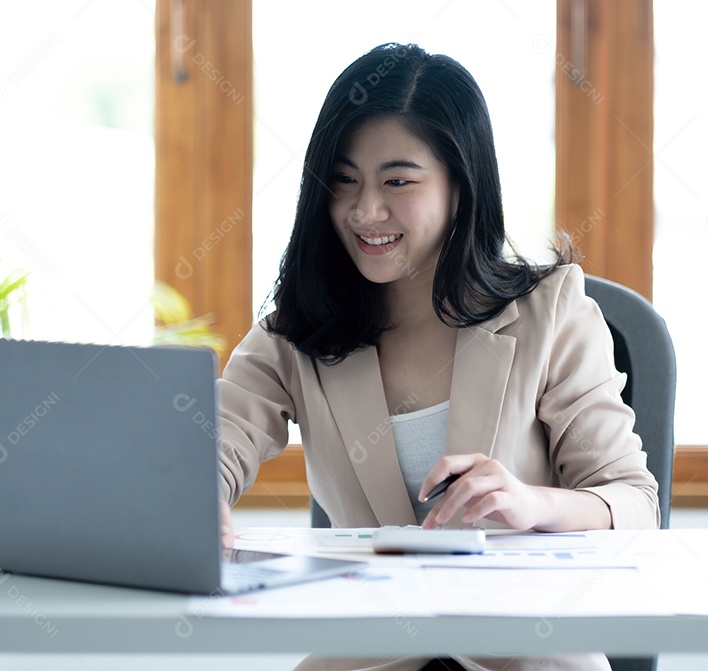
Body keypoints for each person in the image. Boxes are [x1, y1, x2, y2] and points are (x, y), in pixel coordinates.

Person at [217, 43, 659, 671]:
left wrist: (533, 504)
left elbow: (635, 504)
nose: (367, 211)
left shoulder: (551, 310)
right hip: (368, 656)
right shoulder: (296, 334)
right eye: (344, 182)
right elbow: (209, 443)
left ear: (461, 184)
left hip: (528, 652)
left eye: (398, 181)